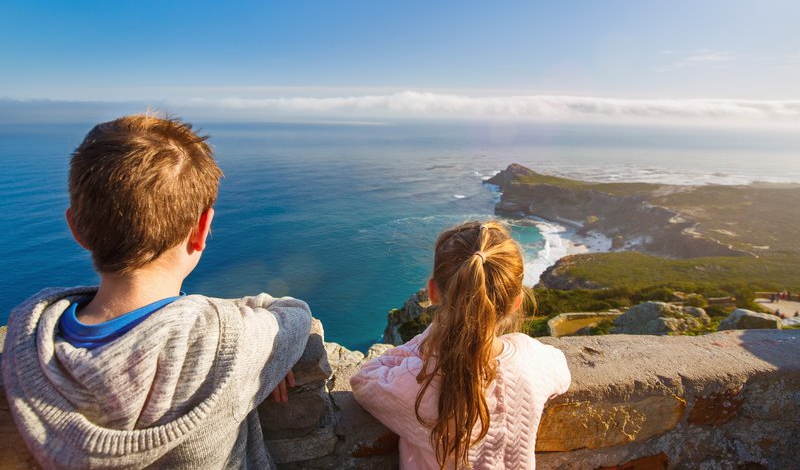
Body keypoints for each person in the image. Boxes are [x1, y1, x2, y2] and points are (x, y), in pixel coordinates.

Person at [2, 114, 312, 469]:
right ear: (202, 229)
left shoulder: (24, 349)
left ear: (77, 228)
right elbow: (295, 315)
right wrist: (265, 347)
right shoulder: (228, 343)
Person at [351, 221, 571, 469]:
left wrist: (431, 340)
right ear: (516, 302)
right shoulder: (531, 359)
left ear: (432, 292)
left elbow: (363, 379)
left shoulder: (418, 379)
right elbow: (561, 370)